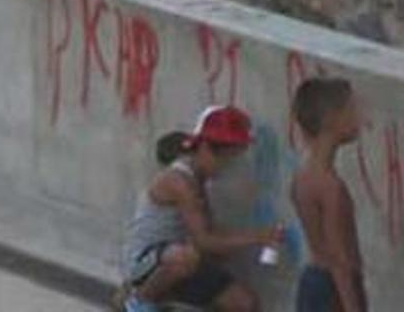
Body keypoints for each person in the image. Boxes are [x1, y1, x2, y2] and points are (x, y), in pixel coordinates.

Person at [123, 106, 283, 312]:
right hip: (147, 262)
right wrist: (257, 237)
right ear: (205, 148)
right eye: (225, 159)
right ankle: (140, 300)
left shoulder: (200, 181)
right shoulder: (180, 181)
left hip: (180, 261)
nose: (226, 167)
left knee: (245, 302)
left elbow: (211, 233)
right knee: (186, 258)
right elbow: (204, 241)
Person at [290, 78, 367, 312]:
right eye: (351, 111)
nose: (359, 118)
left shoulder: (302, 178)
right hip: (334, 289)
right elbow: (338, 256)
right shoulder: (330, 186)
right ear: (332, 119)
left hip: (314, 282)